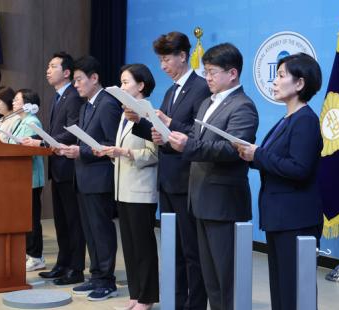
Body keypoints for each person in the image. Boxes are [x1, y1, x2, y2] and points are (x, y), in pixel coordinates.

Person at [168, 43, 259, 310]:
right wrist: (175, 140)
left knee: (227, 275)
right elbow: (197, 139)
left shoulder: (243, 106)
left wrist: (188, 146)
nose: (206, 78)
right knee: (210, 276)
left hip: (223, 202)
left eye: (211, 72)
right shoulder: (207, 102)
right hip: (199, 198)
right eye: (205, 71)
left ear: (232, 73)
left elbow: (233, 149)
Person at [124, 31, 210, 310]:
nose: (162, 67)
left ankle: (193, 304)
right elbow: (159, 134)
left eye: (166, 59)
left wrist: (169, 122)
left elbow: (199, 135)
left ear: (183, 56)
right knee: (173, 249)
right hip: (168, 179)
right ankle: (176, 300)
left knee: (191, 250)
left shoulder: (200, 88)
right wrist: (139, 121)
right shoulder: (172, 90)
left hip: (187, 180)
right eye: (160, 60)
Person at [235, 53, 323, 310]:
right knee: (282, 288)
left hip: (296, 220)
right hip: (281, 219)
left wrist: (258, 154)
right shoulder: (287, 119)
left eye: (282, 75)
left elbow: (299, 169)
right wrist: (249, 155)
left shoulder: (305, 120)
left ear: (300, 84)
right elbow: (274, 160)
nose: (275, 81)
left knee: (295, 291)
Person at [59, 55, 122, 301]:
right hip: (83, 176)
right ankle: (95, 276)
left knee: (101, 230)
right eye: (74, 81)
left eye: (79, 80)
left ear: (94, 78)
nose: (75, 85)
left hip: (99, 178)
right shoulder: (86, 105)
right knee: (90, 231)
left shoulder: (107, 104)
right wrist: (70, 148)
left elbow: (111, 144)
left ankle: (107, 280)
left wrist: (80, 151)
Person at [96, 64, 159, 310]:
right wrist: (111, 152)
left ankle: (147, 298)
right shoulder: (125, 113)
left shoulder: (148, 111)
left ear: (141, 86)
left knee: (143, 247)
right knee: (130, 247)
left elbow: (154, 154)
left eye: (126, 82)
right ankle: (135, 295)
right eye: (120, 82)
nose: (122, 87)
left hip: (141, 190)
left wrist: (124, 152)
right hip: (123, 188)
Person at [23, 52, 85, 286]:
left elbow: (71, 130)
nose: (47, 70)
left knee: (73, 221)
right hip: (57, 167)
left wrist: (42, 142)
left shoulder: (73, 96)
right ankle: (62, 263)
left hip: (70, 167)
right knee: (60, 220)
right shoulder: (58, 97)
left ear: (66, 72)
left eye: (52, 66)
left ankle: (76, 268)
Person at [10, 89, 46, 272]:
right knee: (24, 218)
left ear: (27, 104)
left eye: (17, 100)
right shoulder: (20, 121)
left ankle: (36, 256)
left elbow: (29, 146)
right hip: (20, 177)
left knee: (32, 219)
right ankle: (28, 252)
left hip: (31, 177)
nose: (13, 103)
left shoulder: (33, 121)